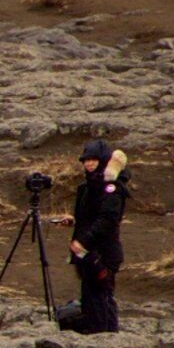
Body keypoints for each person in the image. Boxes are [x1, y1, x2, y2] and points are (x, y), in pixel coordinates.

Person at [66, 141, 129, 333]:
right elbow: (92, 216)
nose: (89, 164)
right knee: (91, 295)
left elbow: (107, 220)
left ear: (102, 161)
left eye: (93, 160)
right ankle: (100, 331)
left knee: (100, 294)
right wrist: (74, 221)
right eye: (86, 160)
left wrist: (83, 242)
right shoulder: (87, 187)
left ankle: (104, 335)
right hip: (88, 254)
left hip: (103, 253)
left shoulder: (112, 188)